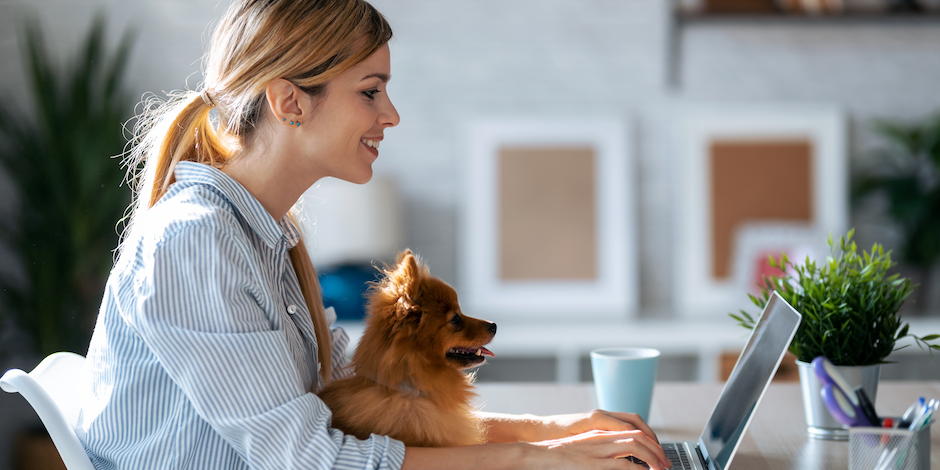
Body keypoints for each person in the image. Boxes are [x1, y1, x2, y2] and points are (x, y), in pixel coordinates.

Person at [77, 1, 671, 469]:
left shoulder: (264, 236)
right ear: (290, 102)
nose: (390, 114)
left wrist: (555, 431)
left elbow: (374, 407)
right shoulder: (198, 243)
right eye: (370, 91)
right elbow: (318, 460)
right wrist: (529, 460)